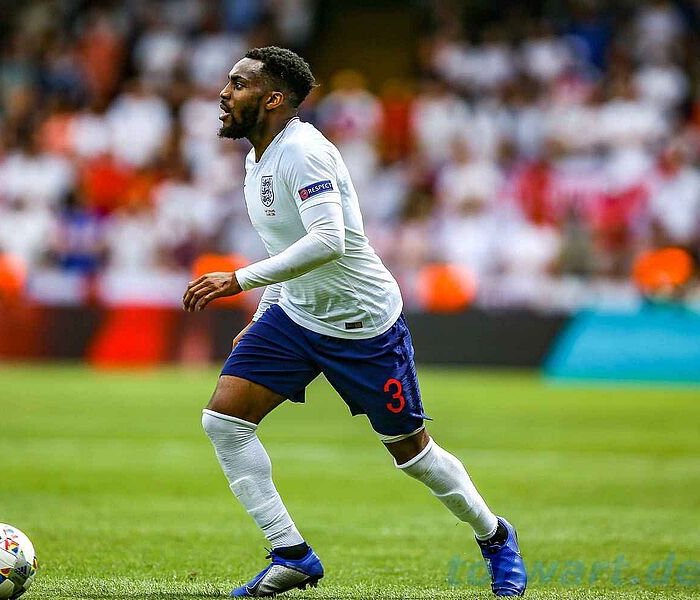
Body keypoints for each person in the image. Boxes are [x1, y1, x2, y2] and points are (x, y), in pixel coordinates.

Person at [182, 47, 527, 597]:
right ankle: (291, 554)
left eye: (239, 84)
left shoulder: (304, 152)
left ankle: (495, 536)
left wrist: (239, 280)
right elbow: (287, 247)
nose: (224, 93)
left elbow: (329, 240)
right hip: (296, 314)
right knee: (224, 422)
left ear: (273, 99)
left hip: (362, 325)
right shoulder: (256, 159)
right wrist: (266, 311)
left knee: (414, 456)